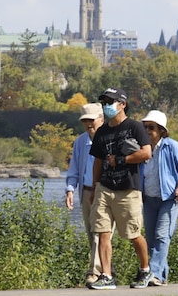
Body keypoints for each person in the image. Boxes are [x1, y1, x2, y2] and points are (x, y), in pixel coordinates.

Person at [87, 87, 153, 290]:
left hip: (128, 189)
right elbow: (97, 161)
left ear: (122, 104)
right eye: (104, 102)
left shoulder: (134, 127)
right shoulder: (101, 132)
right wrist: (94, 186)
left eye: (110, 102)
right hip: (105, 187)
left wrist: (122, 159)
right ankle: (106, 275)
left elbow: (146, 153)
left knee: (133, 234)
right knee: (103, 231)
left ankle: (145, 269)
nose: (107, 106)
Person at [141, 110, 178, 286]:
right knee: (150, 239)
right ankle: (161, 278)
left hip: (168, 199)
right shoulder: (142, 147)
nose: (147, 130)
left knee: (162, 236)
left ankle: (155, 274)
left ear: (161, 130)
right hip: (148, 199)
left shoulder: (171, 146)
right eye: (145, 127)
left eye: (151, 127)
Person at [65, 103, 106, 286]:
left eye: (92, 120)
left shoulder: (109, 138)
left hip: (104, 192)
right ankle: (106, 271)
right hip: (86, 192)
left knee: (99, 232)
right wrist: (70, 189)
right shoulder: (81, 141)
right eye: (85, 121)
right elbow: (74, 167)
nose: (89, 124)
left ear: (101, 119)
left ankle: (94, 272)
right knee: (92, 235)